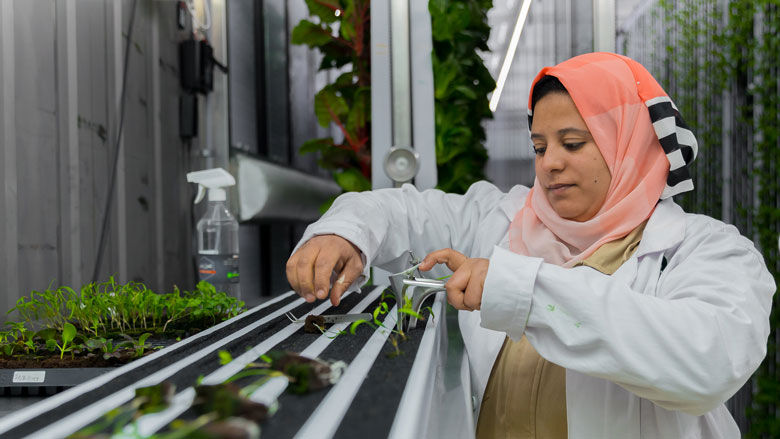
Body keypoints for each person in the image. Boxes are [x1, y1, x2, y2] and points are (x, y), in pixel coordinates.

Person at [285, 52, 775, 438]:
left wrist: (518, 291)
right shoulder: (506, 219)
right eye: (540, 147)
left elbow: (708, 361)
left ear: (629, 144)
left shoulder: (706, 251)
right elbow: (399, 210)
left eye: (573, 143)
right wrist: (342, 232)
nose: (550, 164)